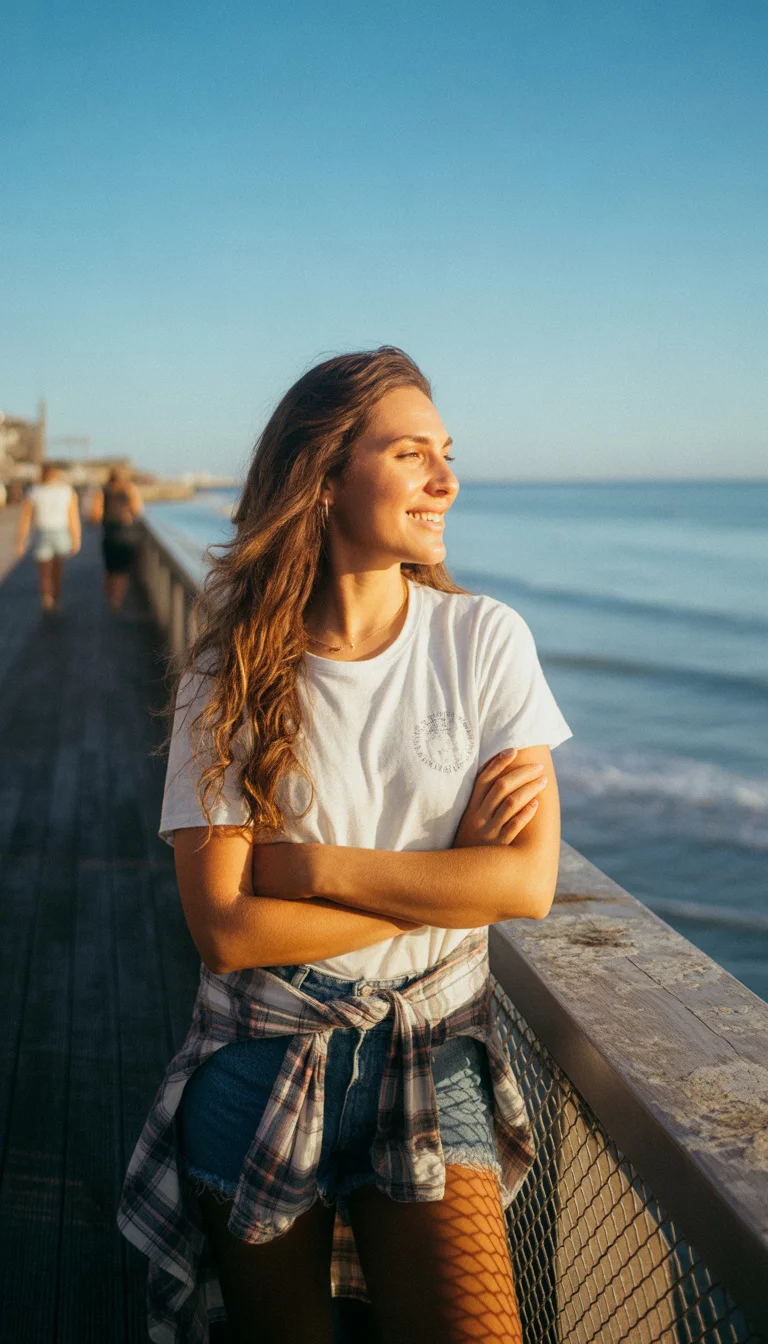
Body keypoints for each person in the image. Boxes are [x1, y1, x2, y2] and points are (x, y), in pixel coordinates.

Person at [118, 348, 572, 1344]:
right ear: (323, 481)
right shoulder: (228, 667)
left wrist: (312, 866)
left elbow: (526, 881)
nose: (446, 481)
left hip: (432, 1050)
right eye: (412, 455)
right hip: (260, 1051)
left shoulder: (484, 641)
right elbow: (228, 932)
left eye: (445, 454)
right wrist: (448, 881)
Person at [15, 463, 81, 612]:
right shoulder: (67, 491)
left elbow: (26, 519)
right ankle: (56, 600)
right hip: (60, 533)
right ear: (56, 474)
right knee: (58, 570)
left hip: (42, 532)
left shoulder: (34, 492)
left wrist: (20, 541)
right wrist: (76, 538)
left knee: (44, 573)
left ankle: (46, 600)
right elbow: (73, 517)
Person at [89, 466, 144, 610]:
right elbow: (137, 509)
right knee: (122, 570)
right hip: (126, 533)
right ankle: (117, 600)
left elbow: (95, 515)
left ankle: (109, 595)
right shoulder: (130, 490)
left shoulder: (103, 492)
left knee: (110, 568)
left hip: (109, 534)